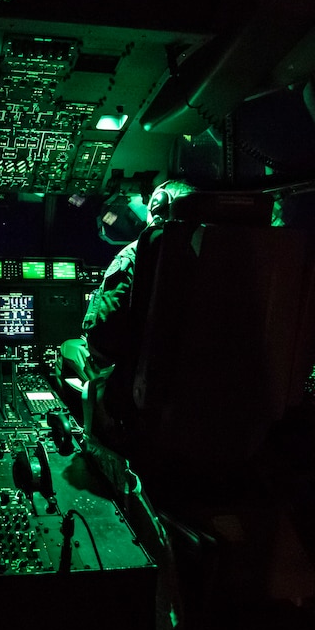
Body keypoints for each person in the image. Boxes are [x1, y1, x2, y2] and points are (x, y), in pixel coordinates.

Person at [57, 178, 197, 455]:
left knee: (70, 348)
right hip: (202, 384)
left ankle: (95, 442)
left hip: (139, 386)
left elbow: (102, 333)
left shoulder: (142, 252)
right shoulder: (240, 252)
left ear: (159, 205)